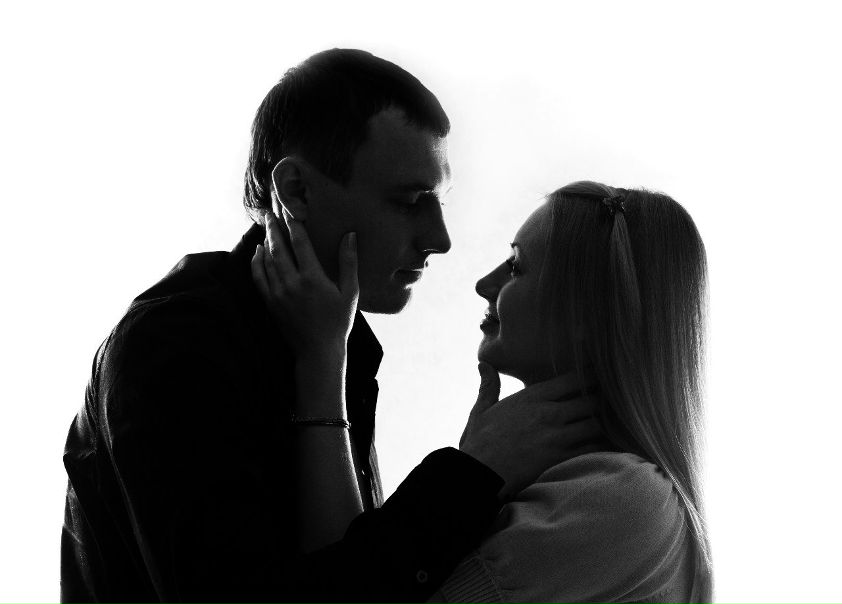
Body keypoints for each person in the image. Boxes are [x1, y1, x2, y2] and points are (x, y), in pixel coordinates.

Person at [60, 49, 605, 603]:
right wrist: (472, 474)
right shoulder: (173, 347)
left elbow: (348, 571)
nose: (439, 239)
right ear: (296, 190)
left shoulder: (335, 340)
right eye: (409, 201)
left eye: (438, 201)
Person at [253, 181, 714, 603]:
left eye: (516, 266)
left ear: (589, 309)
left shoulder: (623, 501)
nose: (484, 285)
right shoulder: (592, 494)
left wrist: (468, 474)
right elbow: (349, 569)